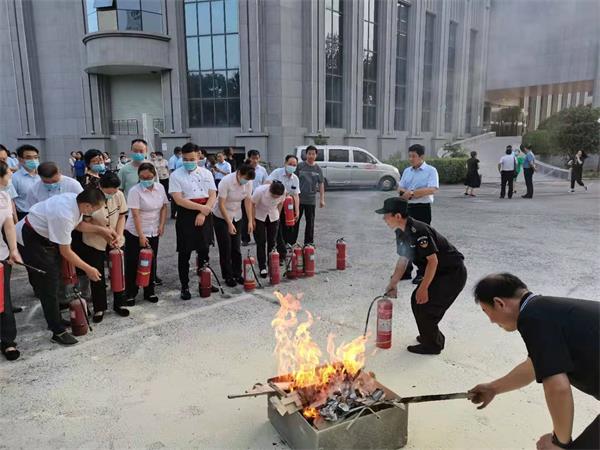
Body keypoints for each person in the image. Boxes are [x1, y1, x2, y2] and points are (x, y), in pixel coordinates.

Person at [469, 273, 599, 450]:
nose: (491, 321)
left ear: (499, 303)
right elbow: (533, 366)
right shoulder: (546, 311)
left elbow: (558, 388)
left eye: (486, 311)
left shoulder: (532, 319)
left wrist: (559, 443)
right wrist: (493, 388)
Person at [16, 188, 111, 345]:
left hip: (44, 237)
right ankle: (57, 331)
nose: (96, 212)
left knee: (55, 279)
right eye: (96, 209)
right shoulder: (63, 214)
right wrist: (88, 269)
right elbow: (66, 251)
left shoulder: (75, 200)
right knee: (48, 284)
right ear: (88, 206)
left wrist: (102, 231)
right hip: (32, 239)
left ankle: (56, 318)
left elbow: (78, 225)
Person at [377, 197, 467, 355]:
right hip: (436, 272)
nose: (384, 219)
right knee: (417, 301)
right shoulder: (400, 232)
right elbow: (403, 259)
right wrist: (393, 283)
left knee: (426, 306)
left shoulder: (419, 231)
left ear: (397, 216)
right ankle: (430, 336)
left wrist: (424, 288)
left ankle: (432, 345)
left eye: (386, 215)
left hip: (451, 273)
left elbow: (433, 261)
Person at [75, 172, 129, 322]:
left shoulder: (119, 195)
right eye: (108, 193)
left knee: (118, 272)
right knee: (97, 274)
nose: (112, 195)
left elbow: (122, 216)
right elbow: (84, 222)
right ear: (100, 186)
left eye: (115, 191)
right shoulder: (90, 198)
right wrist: (103, 232)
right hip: (94, 241)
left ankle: (120, 303)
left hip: (115, 240)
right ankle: (99, 307)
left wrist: (119, 235)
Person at [169, 143, 218, 300]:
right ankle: (185, 286)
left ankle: (205, 281)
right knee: (184, 252)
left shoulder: (206, 173)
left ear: (198, 156)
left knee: (204, 250)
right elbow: (178, 199)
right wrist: (201, 209)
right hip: (186, 214)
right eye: (185, 159)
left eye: (191, 159)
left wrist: (203, 212)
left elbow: (213, 194)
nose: (188, 162)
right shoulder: (176, 175)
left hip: (205, 212)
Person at [124, 163, 168, 305]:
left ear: (154, 175)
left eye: (149, 177)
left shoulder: (160, 188)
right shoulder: (135, 191)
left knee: (150, 261)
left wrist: (161, 225)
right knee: (133, 262)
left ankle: (149, 291)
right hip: (135, 232)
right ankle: (131, 292)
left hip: (153, 230)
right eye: (142, 177)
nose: (146, 180)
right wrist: (141, 235)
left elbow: (164, 207)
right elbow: (135, 214)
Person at [397, 144, 439, 284]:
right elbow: (400, 187)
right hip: (407, 208)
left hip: (422, 209)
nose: (411, 159)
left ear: (421, 157)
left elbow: (432, 189)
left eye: (413, 156)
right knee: (405, 239)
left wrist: (412, 193)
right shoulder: (407, 171)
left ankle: (422, 273)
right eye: (409, 156)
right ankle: (406, 270)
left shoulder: (431, 171)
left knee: (422, 241)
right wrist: (405, 193)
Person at [213, 164, 255, 287]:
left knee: (236, 247)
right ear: (239, 173)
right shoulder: (226, 181)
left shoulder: (248, 182)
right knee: (226, 247)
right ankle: (228, 275)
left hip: (237, 215)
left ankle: (237, 274)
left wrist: (250, 220)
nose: (246, 181)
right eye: (245, 178)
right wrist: (229, 223)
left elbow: (248, 201)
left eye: (248, 180)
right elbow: (221, 204)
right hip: (221, 216)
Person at [0, 162, 24, 360]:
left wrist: (13, 250)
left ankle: (8, 341)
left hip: (1, 255)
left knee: (3, 299)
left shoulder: (4, 196)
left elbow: (8, 224)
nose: (11, 176)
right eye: (8, 173)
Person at [267, 155, 300, 262]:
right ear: (285, 163)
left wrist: (297, 210)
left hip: (288, 208)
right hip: (276, 206)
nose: (292, 166)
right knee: (277, 230)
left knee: (287, 230)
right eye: (290, 164)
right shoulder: (277, 173)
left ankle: (284, 251)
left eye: (294, 165)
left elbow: (296, 195)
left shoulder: (295, 178)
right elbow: (267, 183)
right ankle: (280, 254)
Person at [252, 181, 285, 277]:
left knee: (272, 241)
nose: (275, 198)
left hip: (273, 216)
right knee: (261, 241)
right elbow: (252, 204)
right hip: (259, 216)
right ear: (270, 190)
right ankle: (262, 267)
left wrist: (278, 216)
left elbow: (281, 203)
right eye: (274, 196)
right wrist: (252, 220)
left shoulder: (283, 192)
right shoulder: (260, 191)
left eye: (278, 196)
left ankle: (271, 264)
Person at [294, 145, 325, 246]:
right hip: (298, 199)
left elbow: (321, 184)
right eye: (309, 154)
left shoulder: (318, 169)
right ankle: (292, 242)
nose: (311, 156)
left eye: (313, 154)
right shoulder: (300, 166)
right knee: (295, 221)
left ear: (316, 155)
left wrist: (322, 199)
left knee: (310, 223)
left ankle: (308, 243)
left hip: (311, 200)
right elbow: (293, 180)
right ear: (306, 154)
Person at [241, 149, 269, 246]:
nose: (255, 160)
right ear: (249, 158)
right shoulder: (244, 169)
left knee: (258, 218)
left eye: (257, 158)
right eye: (253, 158)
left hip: (258, 197)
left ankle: (258, 238)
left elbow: (266, 182)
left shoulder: (262, 170)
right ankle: (245, 238)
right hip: (246, 196)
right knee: (245, 218)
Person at [12, 144, 41, 220]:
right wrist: (16, 221)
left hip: (42, 214)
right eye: (28, 158)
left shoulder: (43, 175)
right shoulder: (14, 178)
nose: (33, 160)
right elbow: (11, 201)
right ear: (20, 159)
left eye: (35, 157)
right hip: (24, 215)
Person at [168, 147, 182, 219]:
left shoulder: (179, 159)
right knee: (174, 197)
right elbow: (171, 170)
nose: (180, 154)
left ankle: (177, 212)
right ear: (176, 153)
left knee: (178, 196)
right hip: (174, 179)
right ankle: (173, 214)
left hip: (178, 179)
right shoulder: (172, 159)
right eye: (179, 153)